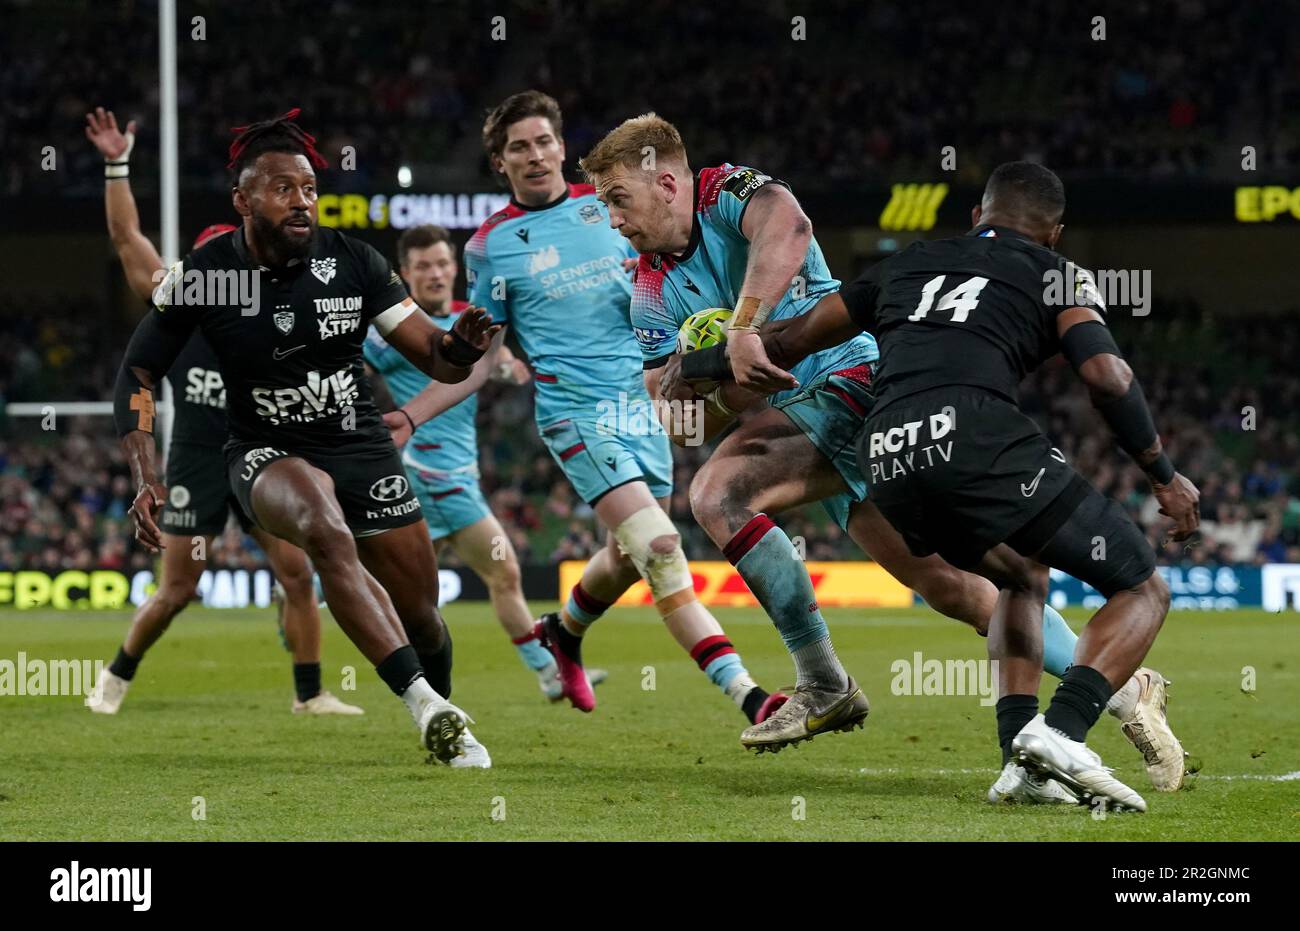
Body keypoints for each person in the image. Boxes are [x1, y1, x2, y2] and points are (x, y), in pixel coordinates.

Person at [739, 161, 1200, 810]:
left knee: (1019, 574)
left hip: (886, 456)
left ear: (976, 217)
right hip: (974, 438)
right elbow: (1107, 377)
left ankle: (1022, 761)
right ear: (1056, 233)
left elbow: (786, 341)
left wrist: (702, 358)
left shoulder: (909, 262)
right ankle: (1064, 732)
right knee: (1142, 585)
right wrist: (1164, 474)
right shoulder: (1057, 272)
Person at [112, 109, 498, 767]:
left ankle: (443, 709)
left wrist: (458, 346)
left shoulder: (355, 262)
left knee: (424, 615)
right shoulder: (207, 275)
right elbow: (138, 368)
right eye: (283, 188)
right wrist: (146, 475)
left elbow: (433, 354)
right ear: (243, 200)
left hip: (358, 442)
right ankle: (425, 705)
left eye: (310, 189)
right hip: (262, 450)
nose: (302, 201)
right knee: (323, 526)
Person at [416, 90, 785, 726]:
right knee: (662, 546)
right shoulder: (490, 247)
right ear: (499, 164)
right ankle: (749, 695)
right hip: (575, 412)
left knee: (626, 554)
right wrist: (420, 408)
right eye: (517, 148)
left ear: (562, 145)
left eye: (543, 141)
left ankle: (561, 633)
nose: (534, 156)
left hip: (645, 404)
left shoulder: (611, 208)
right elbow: (483, 351)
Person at [83, 106, 360, 717]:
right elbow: (128, 240)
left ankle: (310, 694)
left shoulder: (271, 306)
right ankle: (116, 676)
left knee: (297, 573)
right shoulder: (181, 301)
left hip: (263, 453)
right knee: (179, 588)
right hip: (200, 457)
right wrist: (117, 166)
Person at [363, 223, 607, 699]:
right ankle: (436, 685)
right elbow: (350, 365)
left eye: (441, 263)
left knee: (464, 584)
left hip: (456, 479)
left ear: (454, 267)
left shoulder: (469, 323)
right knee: (463, 585)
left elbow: (501, 363)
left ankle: (535, 675)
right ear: (405, 274)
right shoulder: (393, 331)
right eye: (423, 266)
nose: (435, 273)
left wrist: (509, 368)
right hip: (419, 478)